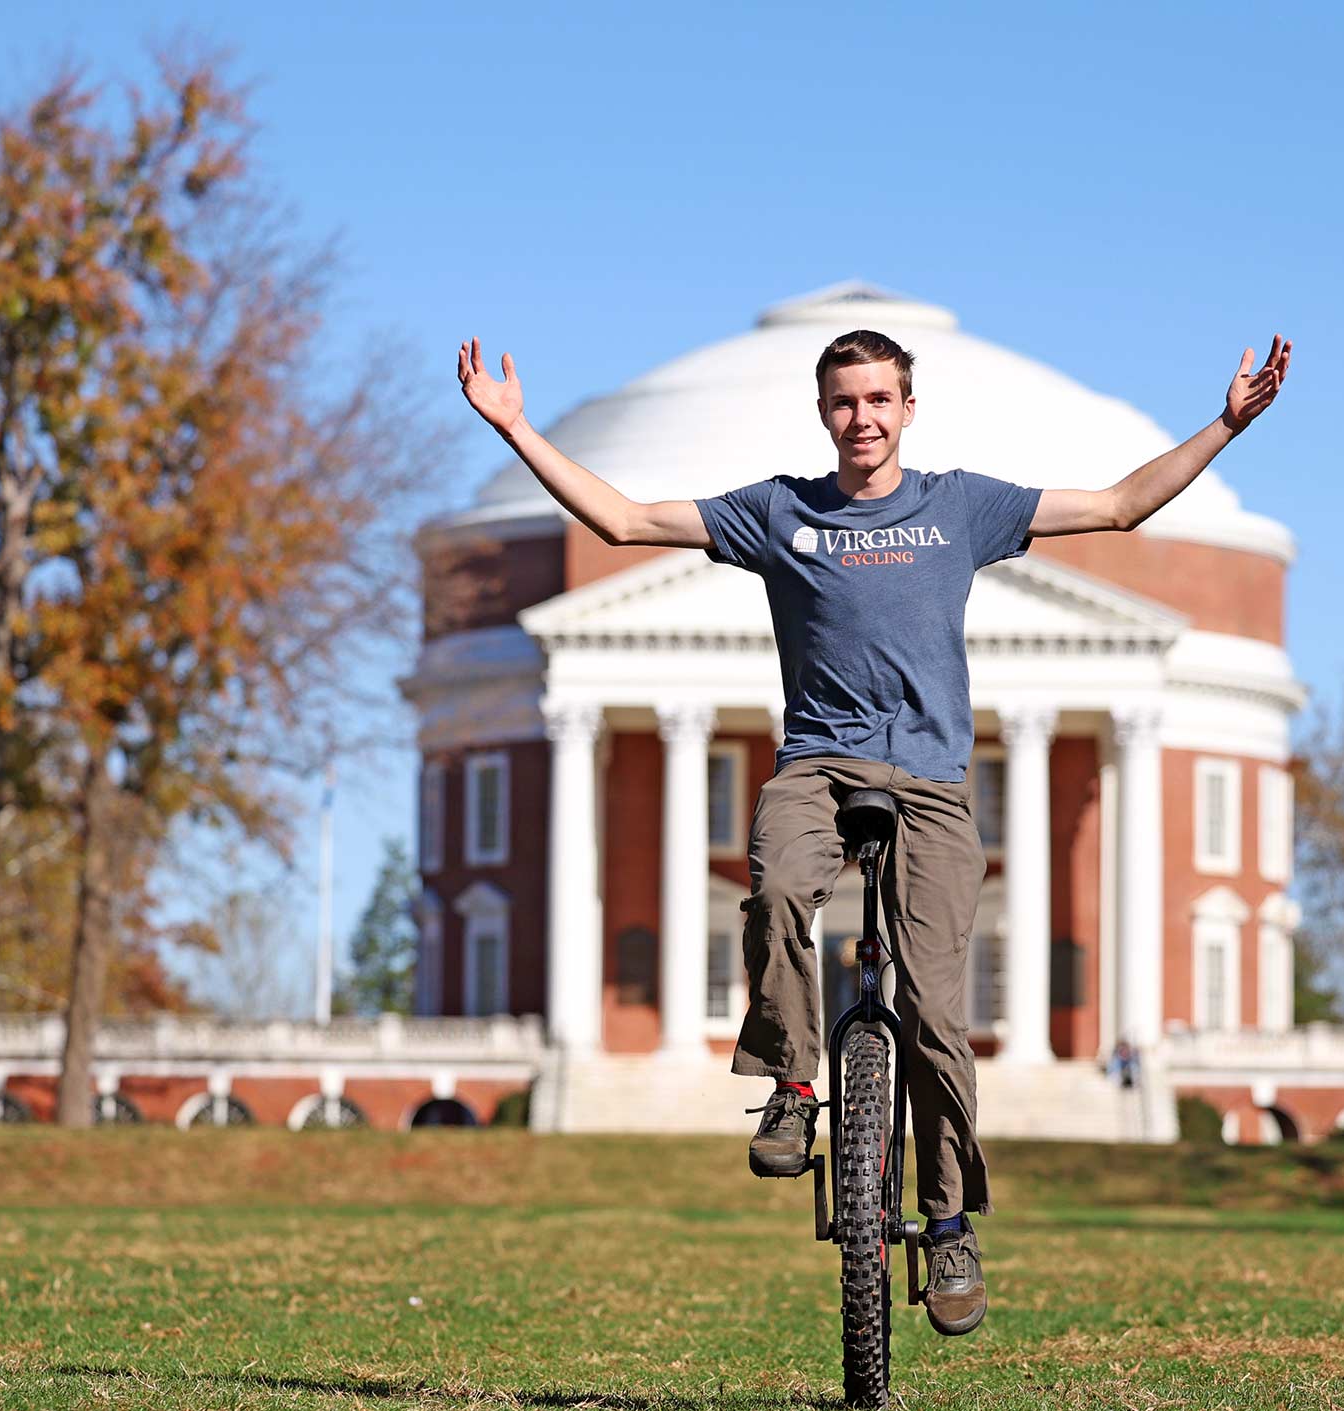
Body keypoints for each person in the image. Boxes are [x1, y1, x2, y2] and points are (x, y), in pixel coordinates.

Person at [457, 320, 1290, 1336]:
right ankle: (794, 1083)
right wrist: (515, 430)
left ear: (907, 408)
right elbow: (626, 523)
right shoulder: (779, 512)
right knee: (769, 889)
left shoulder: (960, 508)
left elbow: (1119, 506)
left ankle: (947, 1226)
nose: (863, 417)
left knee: (940, 1016)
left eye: (880, 399)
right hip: (815, 762)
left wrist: (1225, 426)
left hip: (933, 778)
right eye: (845, 401)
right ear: (824, 411)